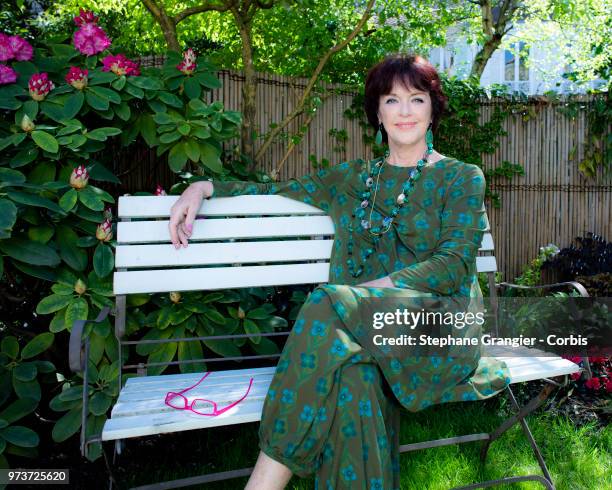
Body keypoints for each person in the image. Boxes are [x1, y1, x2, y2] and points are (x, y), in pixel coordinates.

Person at [168, 53, 511, 490]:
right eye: (391, 100)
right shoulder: (353, 179)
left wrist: (373, 291)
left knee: (328, 301)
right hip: (357, 335)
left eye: (416, 99)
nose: (404, 111)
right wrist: (203, 187)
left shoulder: (462, 177)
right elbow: (273, 190)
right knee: (352, 379)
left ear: (432, 109)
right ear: (377, 114)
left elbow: (456, 264)